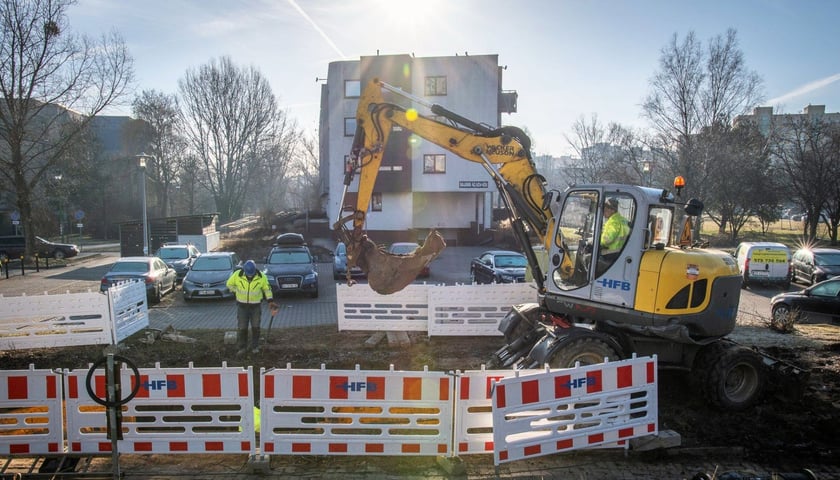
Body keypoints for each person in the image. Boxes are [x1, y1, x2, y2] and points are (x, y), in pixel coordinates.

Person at [226, 260, 278, 355]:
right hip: (242, 306)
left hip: (255, 306)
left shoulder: (261, 277)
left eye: (251, 274)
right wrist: (236, 291)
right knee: (242, 327)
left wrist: (270, 300)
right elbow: (229, 284)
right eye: (248, 274)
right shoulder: (237, 275)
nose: (249, 275)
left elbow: (267, 289)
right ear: (244, 270)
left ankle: (255, 347)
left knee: (256, 327)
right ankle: (242, 347)